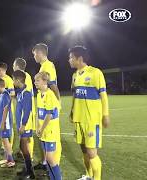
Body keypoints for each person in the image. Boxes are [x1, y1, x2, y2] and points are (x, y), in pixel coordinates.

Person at [68, 46, 110, 180]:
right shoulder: (74, 76)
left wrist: (105, 115)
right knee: (84, 150)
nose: (69, 60)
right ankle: (88, 176)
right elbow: (75, 96)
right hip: (78, 119)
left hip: (91, 120)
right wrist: (72, 111)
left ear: (79, 59)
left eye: (71, 57)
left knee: (92, 152)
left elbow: (103, 96)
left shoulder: (95, 73)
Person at [32, 43, 62, 170]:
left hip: (50, 105)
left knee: (52, 136)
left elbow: (53, 85)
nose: (34, 57)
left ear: (40, 53)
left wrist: (57, 102)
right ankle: (45, 162)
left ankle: (53, 164)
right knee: (44, 135)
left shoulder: (47, 66)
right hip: (45, 104)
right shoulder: (43, 66)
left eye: (34, 54)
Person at [34, 72, 62, 180]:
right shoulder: (39, 94)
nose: (35, 82)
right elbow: (38, 112)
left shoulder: (50, 95)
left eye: (38, 80)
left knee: (50, 158)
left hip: (50, 131)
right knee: (47, 157)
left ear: (45, 81)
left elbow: (49, 115)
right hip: (43, 131)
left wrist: (41, 128)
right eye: (35, 80)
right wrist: (37, 127)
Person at [12, 70, 35, 179]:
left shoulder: (26, 92)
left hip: (25, 125)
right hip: (22, 124)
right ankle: (28, 169)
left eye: (13, 79)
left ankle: (30, 172)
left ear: (18, 80)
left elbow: (27, 110)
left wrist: (23, 124)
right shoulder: (21, 92)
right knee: (22, 146)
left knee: (24, 147)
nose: (13, 82)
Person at [0, 78, 15, 168]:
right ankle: (7, 159)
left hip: (5, 123)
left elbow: (6, 109)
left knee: (6, 142)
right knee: (4, 141)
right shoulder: (2, 95)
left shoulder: (5, 95)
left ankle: (11, 161)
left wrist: (3, 123)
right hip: (2, 122)